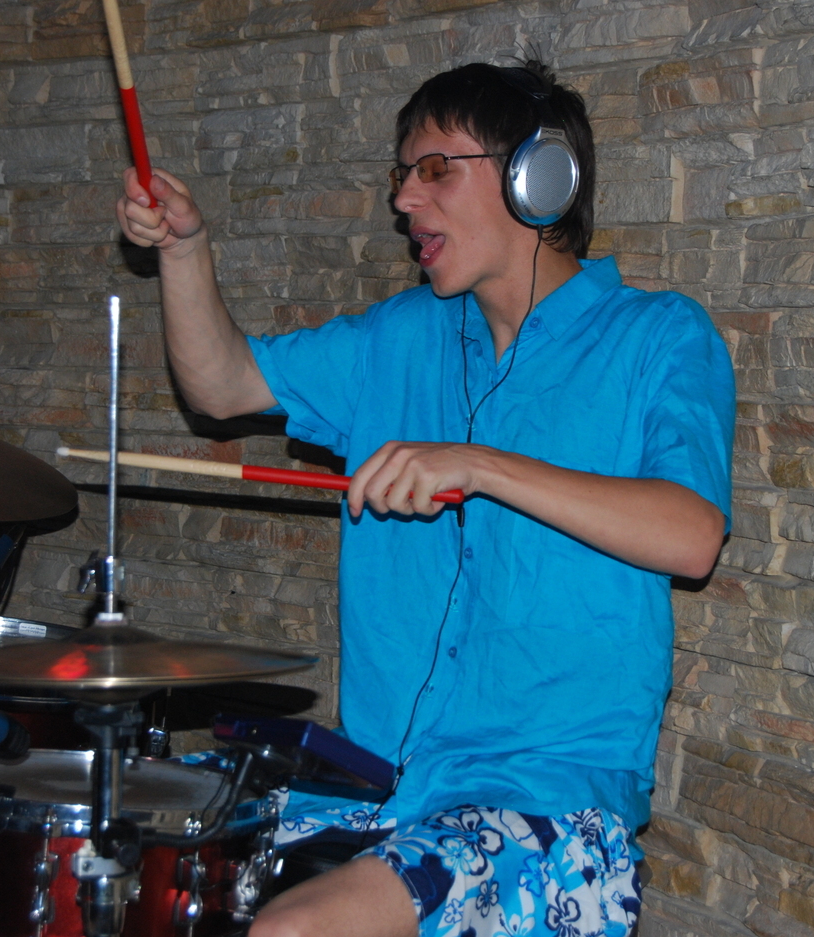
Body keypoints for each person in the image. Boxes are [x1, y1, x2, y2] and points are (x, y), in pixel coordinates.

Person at [117, 60, 734, 937]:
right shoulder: (400, 335)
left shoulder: (658, 336)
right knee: (144, 852)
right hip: (379, 787)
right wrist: (184, 251)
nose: (405, 199)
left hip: (547, 811)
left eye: (437, 169)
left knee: (294, 931)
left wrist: (481, 464)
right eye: (402, 175)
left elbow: (691, 534)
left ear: (538, 179)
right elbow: (221, 385)